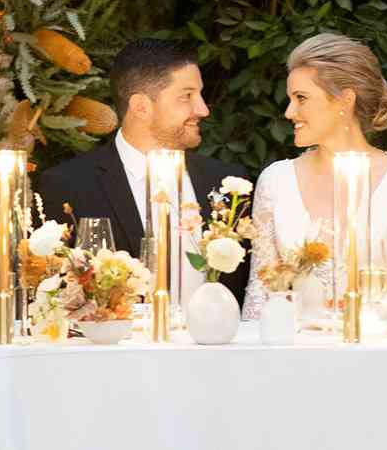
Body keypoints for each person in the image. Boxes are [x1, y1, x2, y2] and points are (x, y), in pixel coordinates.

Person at [36, 37, 252, 307]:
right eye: (187, 96)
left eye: (200, 95)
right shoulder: (68, 186)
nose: (203, 109)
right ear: (141, 107)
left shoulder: (227, 183)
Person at [242, 32, 387, 320]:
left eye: (301, 98)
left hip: (381, 353)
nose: (289, 111)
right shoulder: (276, 181)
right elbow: (260, 294)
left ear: (345, 100)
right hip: (289, 354)